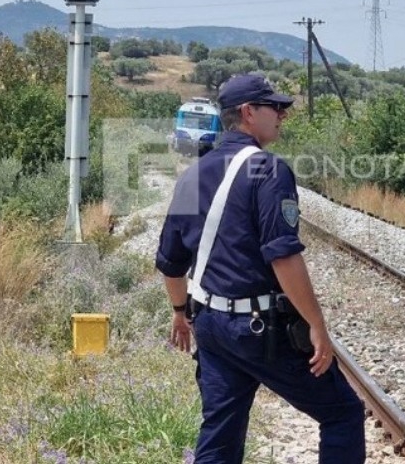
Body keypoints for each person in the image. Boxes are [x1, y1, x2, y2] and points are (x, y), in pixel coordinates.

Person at [156, 74, 365, 464]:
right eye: (275, 108)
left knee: (221, 432)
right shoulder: (267, 170)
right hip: (257, 329)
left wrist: (179, 313)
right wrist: (317, 324)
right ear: (249, 113)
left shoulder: (193, 174)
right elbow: (283, 256)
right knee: (342, 412)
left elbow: (170, 260)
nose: (282, 116)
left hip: (211, 327)